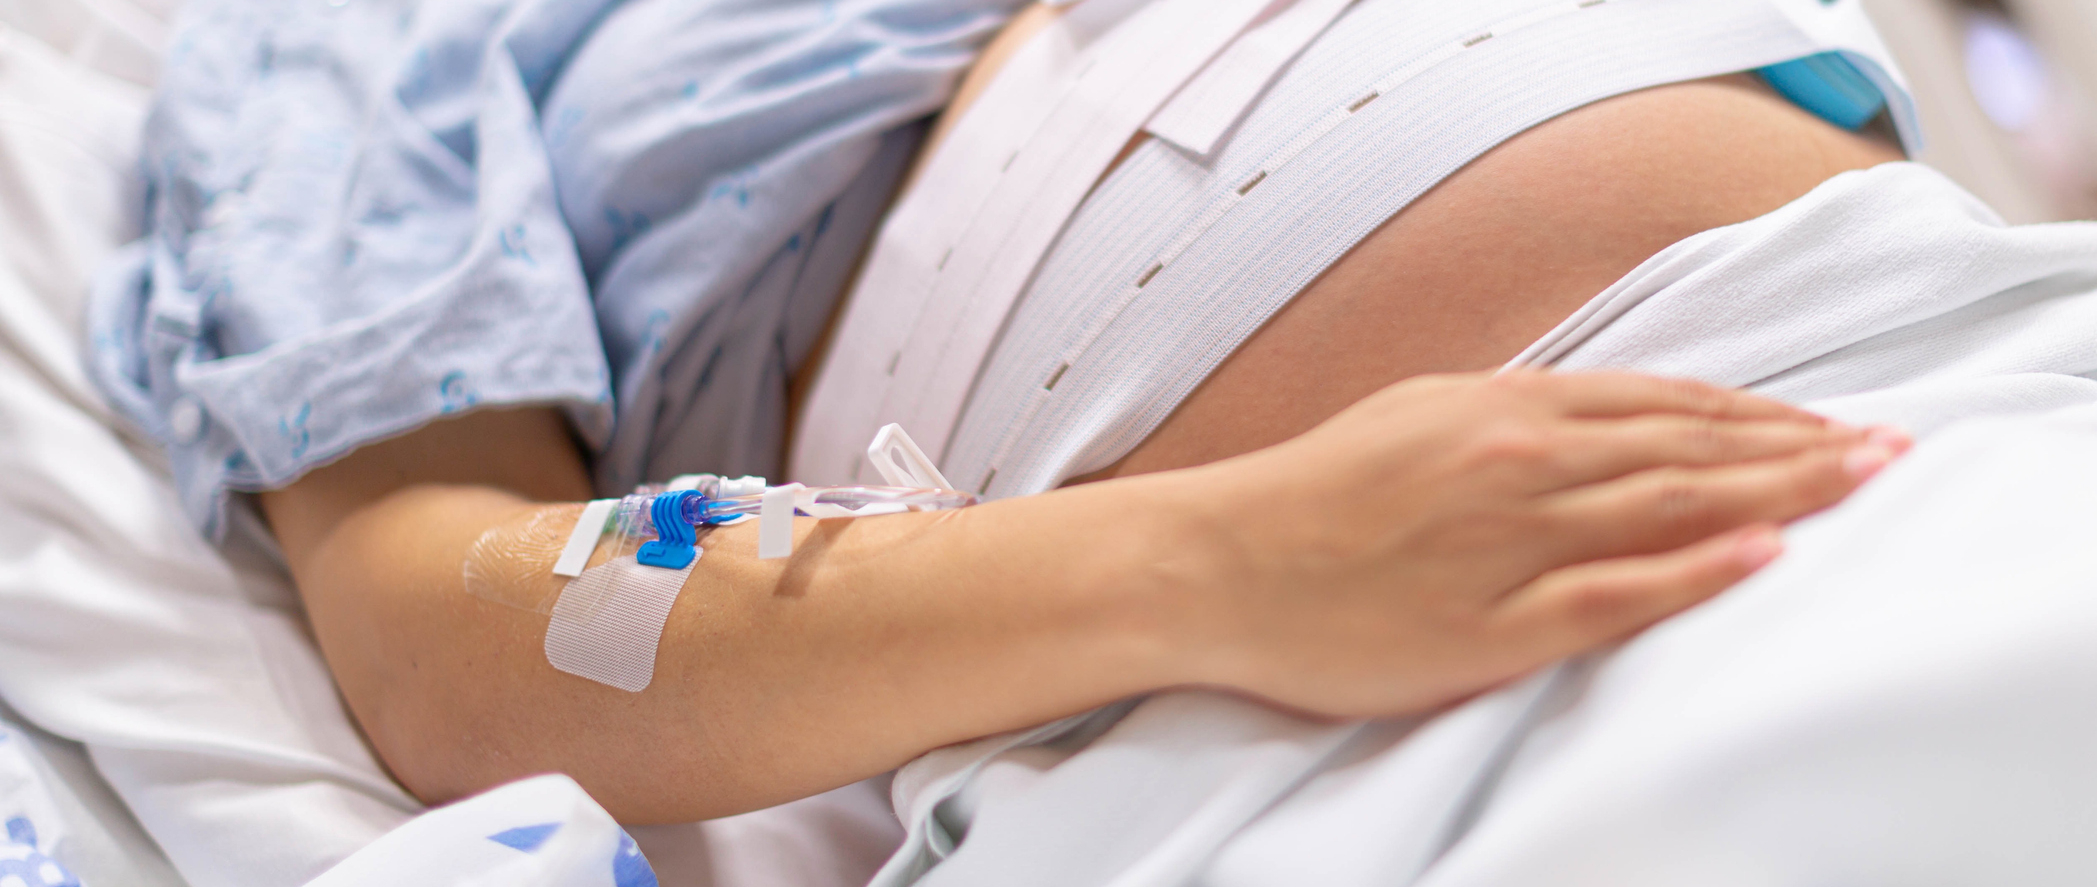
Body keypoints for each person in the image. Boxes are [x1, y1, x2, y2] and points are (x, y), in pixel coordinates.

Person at [91, 0, 1908, 827]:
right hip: (1351, 675)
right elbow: (443, 637)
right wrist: (1221, 560)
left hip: (1935, 328)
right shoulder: (352, 41)